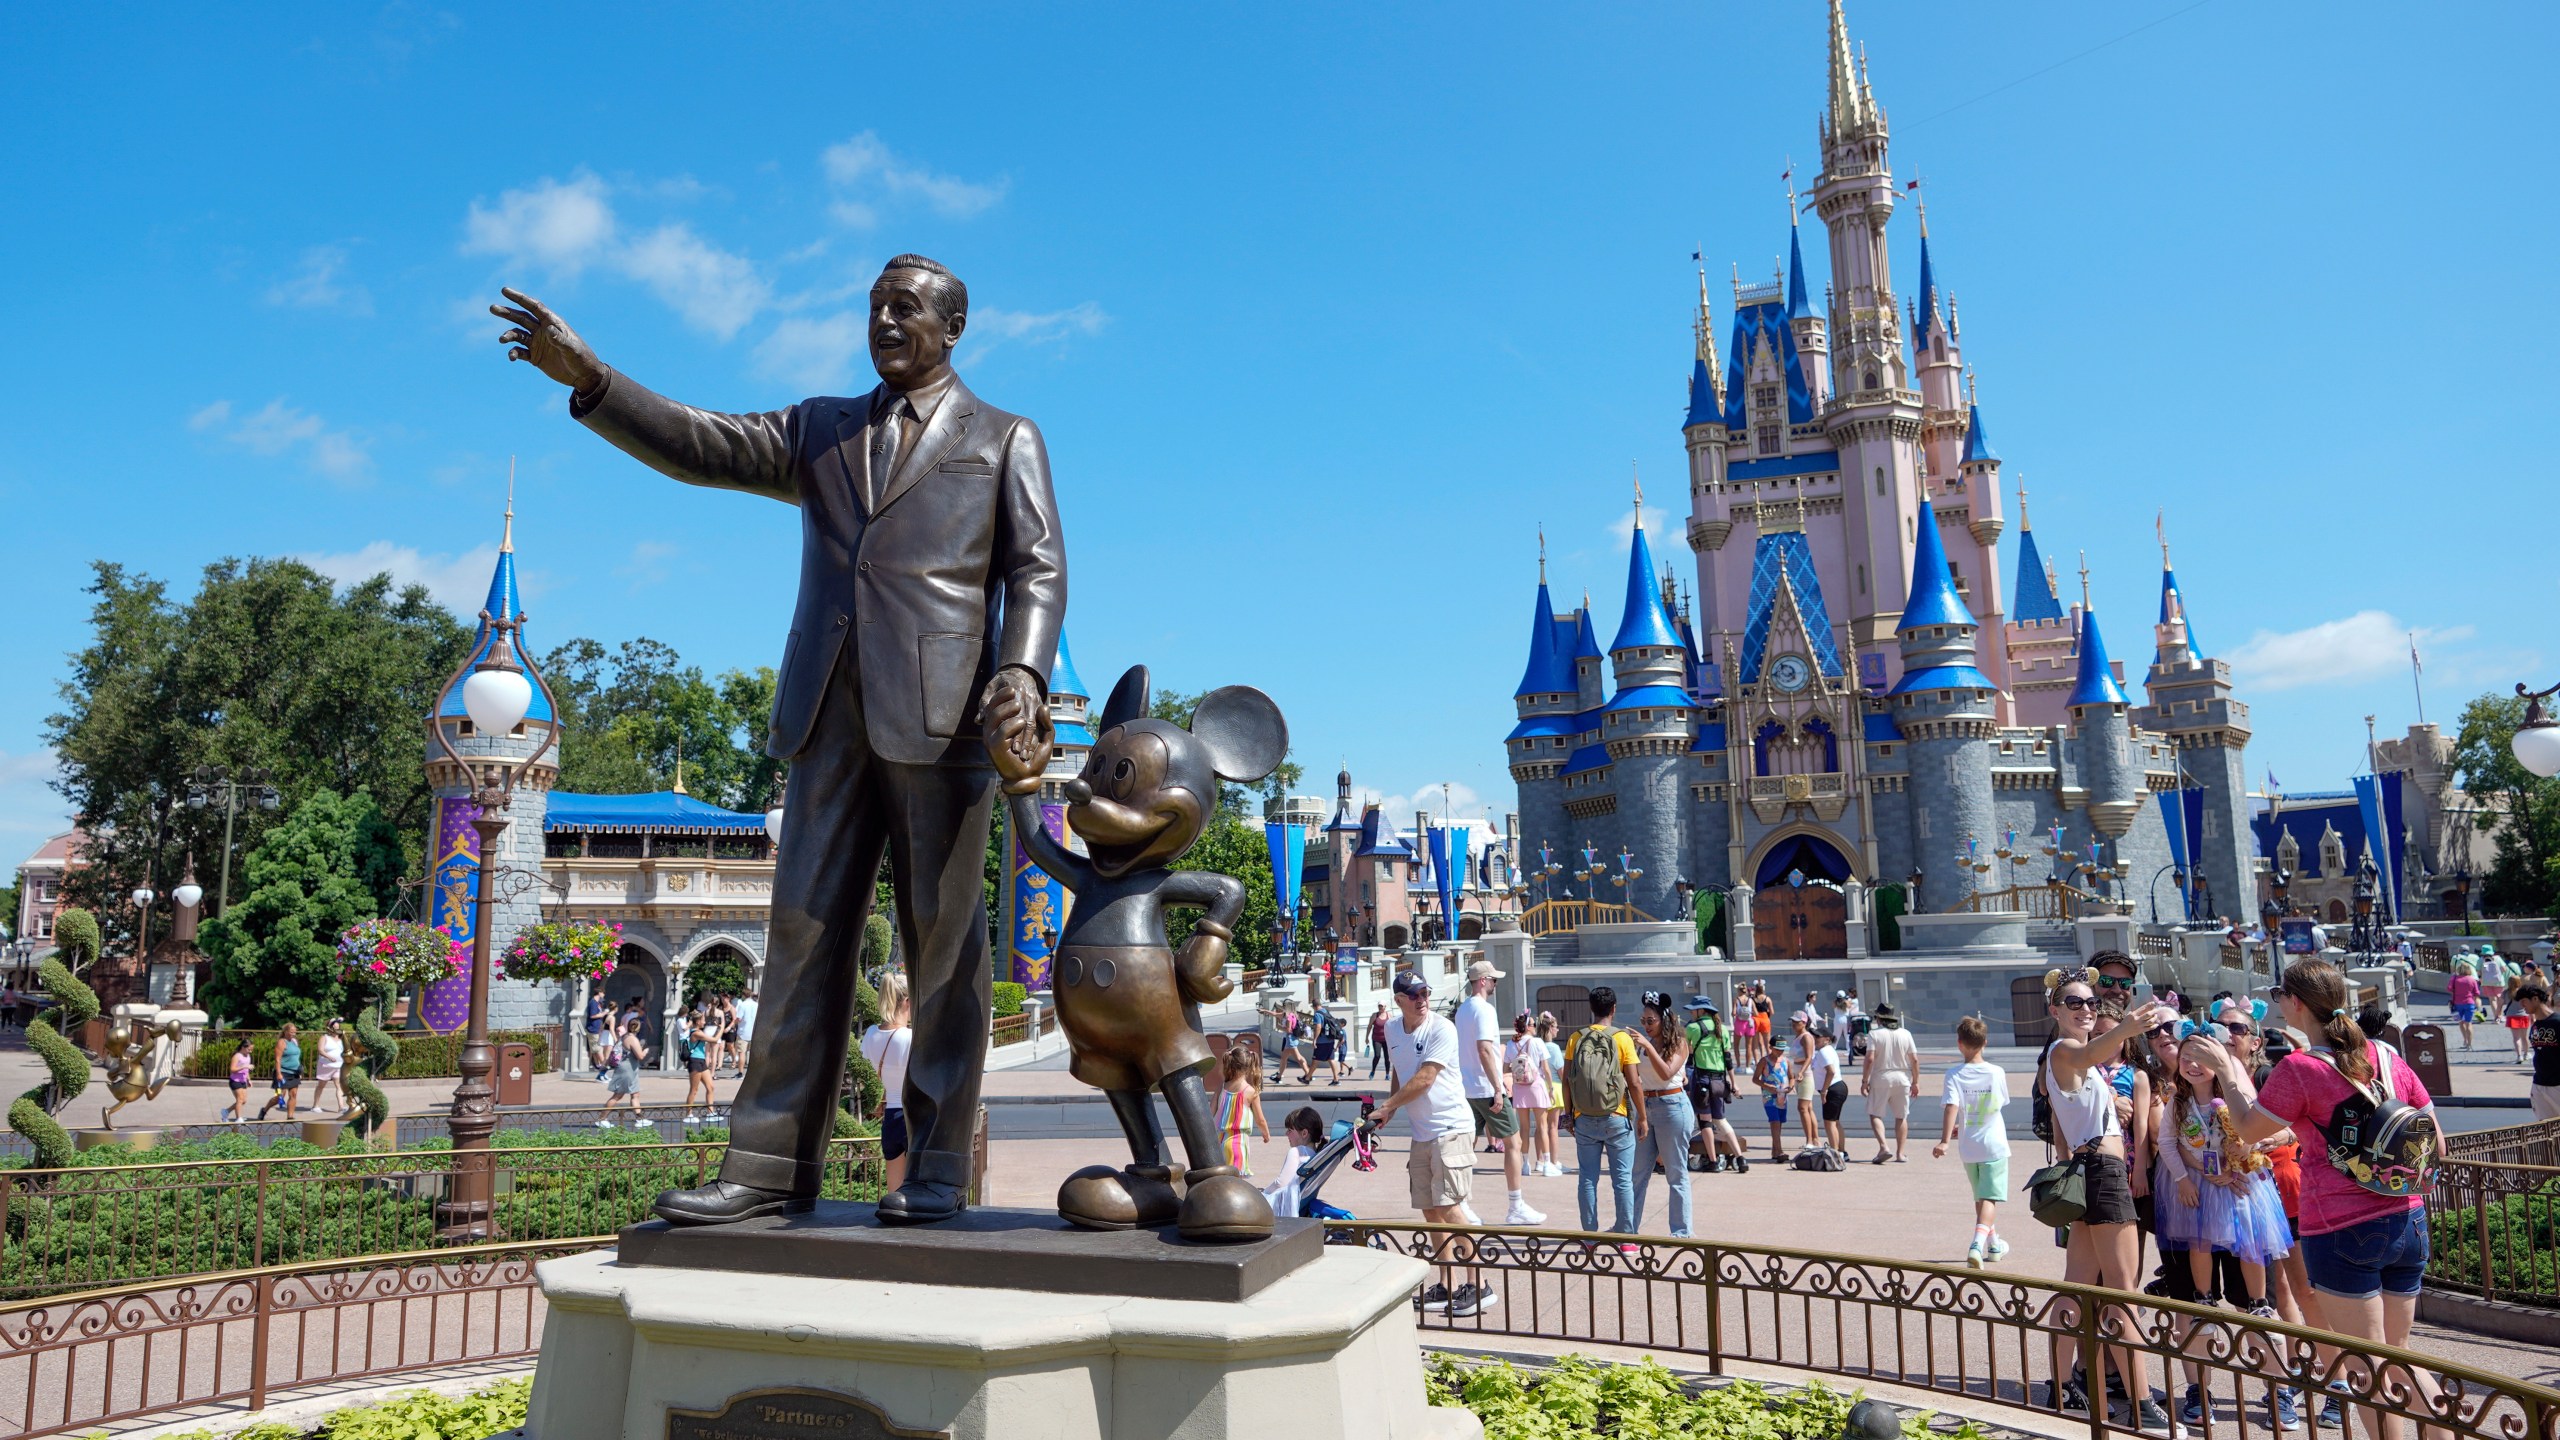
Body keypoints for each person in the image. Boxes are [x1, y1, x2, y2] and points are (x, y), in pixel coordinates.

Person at [499, 256, 1066, 1229]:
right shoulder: (821, 428)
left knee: (942, 949)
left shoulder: (1003, 436)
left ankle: (933, 1169)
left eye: (906, 308)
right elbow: (705, 444)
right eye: (874, 307)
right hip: (825, 717)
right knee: (801, 937)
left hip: (944, 720)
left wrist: (1020, 673)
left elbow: (1039, 569)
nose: (885, 321)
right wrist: (596, 381)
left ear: (954, 325)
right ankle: (766, 1165)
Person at [2206, 959, 2441, 1438]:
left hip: (2341, 1228)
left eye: (2279, 995)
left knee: (2366, 1364)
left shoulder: (2300, 1068)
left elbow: (2249, 1130)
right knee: (2397, 1358)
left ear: (2295, 1003)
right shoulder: (2385, 1054)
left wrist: (2227, 1071)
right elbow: (2436, 1138)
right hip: (2409, 1218)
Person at [2041, 969, 2180, 1431]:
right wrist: (2127, 1028)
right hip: (2101, 1174)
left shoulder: (2078, 1056)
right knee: (2122, 1293)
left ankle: (2060, 1385)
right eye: (2075, 1003)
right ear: (2055, 1011)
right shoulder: (2065, 1050)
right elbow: (2094, 1051)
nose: (2085, 1009)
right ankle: (2142, 1403)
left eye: (2089, 1003)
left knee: (2078, 1285)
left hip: (2092, 1173)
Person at [1373, 969, 1496, 1317]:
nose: (1422, 999)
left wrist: (1388, 1106)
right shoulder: (1394, 1029)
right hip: (1421, 1132)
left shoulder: (1442, 1027)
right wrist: (1390, 1109)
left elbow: (1426, 1077)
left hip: (1451, 1128)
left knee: (1450, 1205)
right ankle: (1448, 1285)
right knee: (1430, 1209)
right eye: (1414, 994)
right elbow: (1401, 1068)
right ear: (1399, 1001)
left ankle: (1480, 1284)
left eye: (1425, 992)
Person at [1454, 959, 1542, 1226]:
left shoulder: (1462, 1010)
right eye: (1493, 980)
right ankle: (1516, 1205)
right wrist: (1497, 1088)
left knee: (1467, 1146)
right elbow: (1484, 1049)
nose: (1495, 984)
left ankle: (1462, 1204)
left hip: (1466, 1086)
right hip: (1484, 1086)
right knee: (1513, 1143)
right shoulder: (1485, 1009)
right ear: (1482, 981)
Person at [1561, 986, 1647, 1238]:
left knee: (1587, 1179)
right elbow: (1634, 1082)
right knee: (1622, 1180)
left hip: (1584, 1118)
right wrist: (1642, 1116)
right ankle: (1626, 1237)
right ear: (1614, 1008)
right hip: (1616, 1116)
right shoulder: (1621, 1039)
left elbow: (1566, 1080)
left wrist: (1569, 1114)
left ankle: (1590, 1236)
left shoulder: (1576, 1038)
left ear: (1591, 1008)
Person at [1932, 1015, 2011, 1268]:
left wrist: (1945, 1139)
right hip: (1994, 1143)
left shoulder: (1954, 1074)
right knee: (1989, 1197)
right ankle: (1977, 1244)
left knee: (1980, 1197)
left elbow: (1952, 1106)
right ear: (1985, 1042)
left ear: (1959, 1043)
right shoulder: (1997, 1072)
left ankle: (1994, 1244)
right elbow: (1998, 1104)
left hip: (1969, 1146)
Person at [1628, 992, 1698, 1237]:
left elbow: (1667, 1072)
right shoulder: (1641, 1044)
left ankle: (1681, 1231)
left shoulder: (1678, 1042)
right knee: (1637, 1173)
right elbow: (1635, 1076)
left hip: (1672, 1106)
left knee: (1676, 1173)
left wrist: (1647, 1046)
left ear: (1664, 1020)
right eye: (1643, 1020)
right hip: (1645, 1106)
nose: (1645, 1026)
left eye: (1650, 1021)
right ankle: (1628, 1228)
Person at [861, 974, 916, 1190]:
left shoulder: (871, 1033)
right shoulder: (909, 1037)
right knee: (918, 1185)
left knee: (894, 1188)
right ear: (906, 1002)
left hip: (891, 1117)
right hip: (912, 1116)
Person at [1683, 997, 1748, 1173]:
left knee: (1705, 1121)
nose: (1690, 1013)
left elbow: (1685, 1054)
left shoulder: (1692, 1028)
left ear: (1700, 1011)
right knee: (1721, 1120)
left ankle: (1712, 1161)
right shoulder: (1723, 1030)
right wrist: (1734, 1084)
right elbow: (1728, 1061)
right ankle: (1740, 1158)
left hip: (1702, 1080)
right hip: (1720, 1081)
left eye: (1692, 1010)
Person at [1861, 1003, 1918, 1164]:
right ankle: (1900, 1153)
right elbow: (1914, 1059)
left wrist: (1865, 1081)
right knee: (1901, 1116)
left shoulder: (1874, 1034)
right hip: (1903, 1077)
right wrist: (1916, 1082)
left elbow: (1870, 1058)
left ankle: (1884, 1146)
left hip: (1881, 1076)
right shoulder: (1906, 1033)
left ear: (1879, 1018)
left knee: (1875, 1113)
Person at [1504, 1012, 1554, 1181]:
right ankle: (1546, 1163)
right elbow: (1546, 1069)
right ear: (1526, 1027)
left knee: (1524, 1128)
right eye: (1532, 1024)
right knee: (1542, 1126)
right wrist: (1551, 1088)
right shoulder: (1538, 1042)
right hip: (1537, 1085)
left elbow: (1505, 1069)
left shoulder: (1511, 1044)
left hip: (1520, 1088)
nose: (1534, 1027)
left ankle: (1525, 1164)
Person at [1260, 1105, 1326, 1219]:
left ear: (1304, 1133)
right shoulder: (1316, 1155)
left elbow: (1281, 1183)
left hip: (1284, 1206)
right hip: (1299, 1204)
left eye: (1290, 1130)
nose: (1286, 1134)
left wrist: (1263, 1193)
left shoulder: (1297, 1152)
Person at [1217, 1044, 1270, 1176]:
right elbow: (1260, 1119)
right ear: (1249, 1066)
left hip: (1220, 1140)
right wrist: (1266, 1134)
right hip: (1238, 1143)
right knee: (1236, 1183)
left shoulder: (1222, 1087)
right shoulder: (1250, 1092)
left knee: (1222, 1180)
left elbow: (1211, 1111)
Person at [596, 1018, 649, 1128]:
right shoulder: (632, 1039)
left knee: (635, 1094)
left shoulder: (625, 1036)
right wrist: (645, 1051)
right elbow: (640, 1056)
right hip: (627, 1070)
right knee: (618, 1096)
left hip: (630, 1069)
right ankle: (602, 1118)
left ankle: (639, 1118)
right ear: (638, 1028)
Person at [1806, 1017, 1848, 1154]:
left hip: (1833, 1088)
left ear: (1827, 1039)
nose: (1815, 1038)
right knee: (1835, 1121)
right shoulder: (1826, 1050)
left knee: (1829, 1122)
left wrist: (1824, 1090)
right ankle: (1841, 1151)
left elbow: (1831, 1071)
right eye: (1815, 1036)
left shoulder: (1824, 1051)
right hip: (1838, 1087)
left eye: (1819, 1037)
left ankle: (1835, 1153)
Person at [1753, 1030, 1793, 1164]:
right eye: (1777, 1050)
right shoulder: (1764, 1061)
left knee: (1780, 1123)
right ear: (1771, 1048)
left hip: (1782, 1095)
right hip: (1769, 1096)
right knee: (1774, 1121)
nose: (1780, 1052)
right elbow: (1755, 1078)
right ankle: (1780, 1150)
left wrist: (1791, 1086)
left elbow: (1791, 1077)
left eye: (1782, 1050)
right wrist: (1766, 1086)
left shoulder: (1786, 1061)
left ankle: (1774, 1150)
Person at [2520, 983, 2559, 1120]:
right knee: (2545, 1131)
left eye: (2524, 1001)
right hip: (2540, 1085)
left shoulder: (2557, 1022)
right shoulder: (2536, 1026)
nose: (2522, 1006)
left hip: (2558, 1085)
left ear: (2535, 999)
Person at [1537, 1012, 1567, 1176]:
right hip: (1554, 1087)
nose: (1558, 1030)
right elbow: (1561, 1072)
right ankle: (1554, 1162)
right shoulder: (1553, 1048)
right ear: (1550, 1028)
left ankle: (1539, 1161)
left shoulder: (1535, 1044)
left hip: (1538, 1087)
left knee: (1540, 1127)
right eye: (1555, 1027)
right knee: (1553, 1127)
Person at [256, 1022, 303, 1122]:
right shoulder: (281, 1042)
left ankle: (290, 1116)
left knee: (293, 1094)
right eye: (291, 1032)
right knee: (279, 1096)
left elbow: (296, 1057)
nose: (293, 1034)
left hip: (294, 1072)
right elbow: (277, 1059)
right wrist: (278, 1073)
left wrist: (299, 1071)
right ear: (286, 1032)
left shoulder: (294, 1041)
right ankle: (264, 1110)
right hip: (283, 1072)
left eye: (295, 1032)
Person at [680, 1006, 718, 1125]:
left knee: (710, 1087)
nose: (705, 1022)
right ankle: (689, 1114)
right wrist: (721, 1027)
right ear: (698, 1022)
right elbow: (714, 1040)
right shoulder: (696, 1033)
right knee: (694, 1089)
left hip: (701, 1061)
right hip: (695, 1061)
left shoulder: (700, 1032)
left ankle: (710, 1112)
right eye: (703, 1020)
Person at [310, 1019, 348, 1115]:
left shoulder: (340, 1039)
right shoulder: (324, 1038)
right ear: (330, 1028)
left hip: (338, 1066)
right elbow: (320, 1050)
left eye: (338, 1027)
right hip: (326, 1065)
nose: (337, 1029)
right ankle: (315, 1105)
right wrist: (329, 1057)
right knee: (321, 1085)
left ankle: (341, 1107)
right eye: (335, 1027)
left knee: (339, 1085)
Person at [2448, 959, 2480, 1050]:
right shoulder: (2472, 979)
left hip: (2457, 1003)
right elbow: (2477, 992)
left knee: (2461, 1022)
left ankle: (2465, 1040)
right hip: (2469, 1003)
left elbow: (2449, 988)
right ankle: (2469, 1044)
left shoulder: (2454, 978)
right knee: (2468, 1023)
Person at [222, 1041, 253, 1123]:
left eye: (251, 1050)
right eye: (249, 1049)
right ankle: (239, 1118)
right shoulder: (237, 1056)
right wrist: (243, 1066)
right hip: (235, 1081)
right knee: (240, 1099)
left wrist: (248, 1079)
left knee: (244, 1100)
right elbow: (232, 1069)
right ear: (243, 1047)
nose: (250, 1051)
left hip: (243, 1080)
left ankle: (226, 1111)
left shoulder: (248, 1056)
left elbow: (246, 1071)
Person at [584, 990, 611, 1080]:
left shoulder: (597, 1003)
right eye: (603, 993)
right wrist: (604, 1013)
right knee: (598, 1050)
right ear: (599, 993)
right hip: (593, 1030)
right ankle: (603, 1071)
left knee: (596, 1051)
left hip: (596, 1030)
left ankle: (601, 1074)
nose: (604, 995)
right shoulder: (593, 1003)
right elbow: (592, 1015)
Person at [1367, 1002, 1391, 1081]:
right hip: (1376, 1039)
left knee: (1387, 1057)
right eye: (1379, 1006)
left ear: (1385, 1007)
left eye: (1381, 1006)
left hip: (1386, 1039)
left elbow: (1393, 1028)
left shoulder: (1389, 1015)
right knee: (1377, 1055)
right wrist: (1366, 1037)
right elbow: (1369, 1026)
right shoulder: (1375, 1015)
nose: (1380, 1008)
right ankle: (1373, 1071)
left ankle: (1387, 1074)